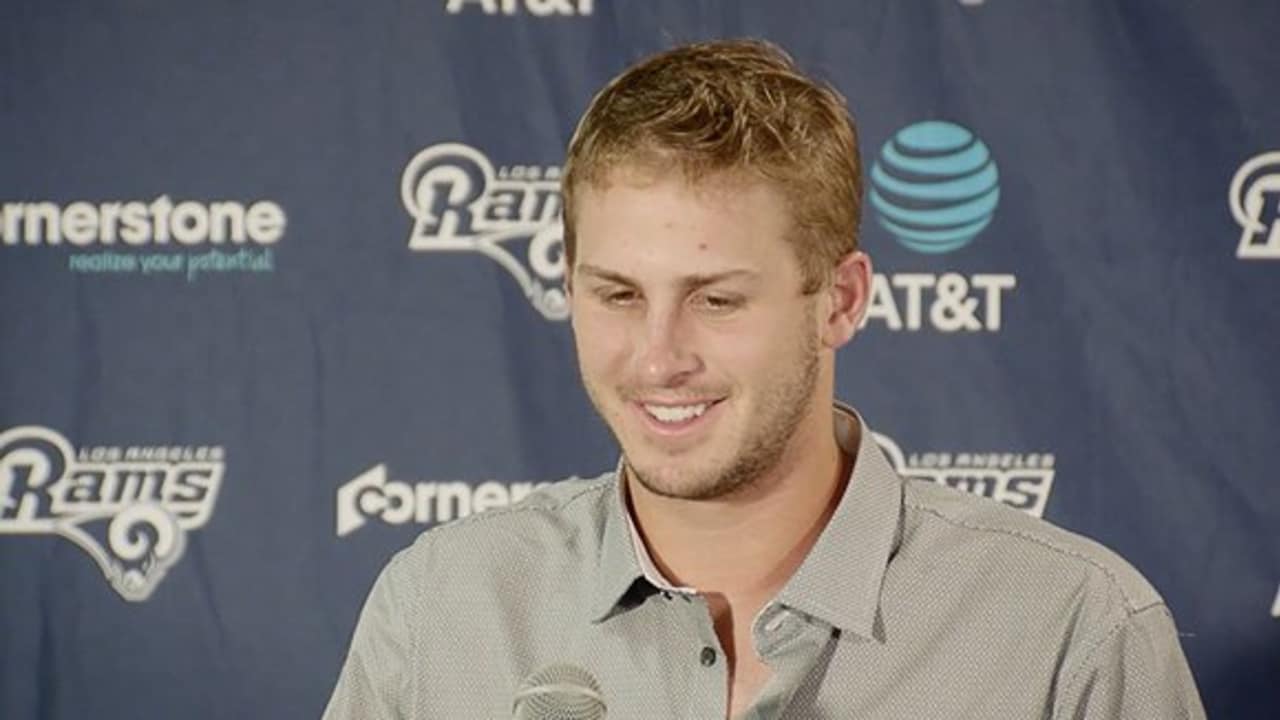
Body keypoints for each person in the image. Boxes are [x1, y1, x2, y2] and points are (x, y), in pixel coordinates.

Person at [324, 39, 1206, 719]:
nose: (659, 355)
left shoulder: (1070, 632)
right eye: (619, 294)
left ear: (841, 300)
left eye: (716, 300)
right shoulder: (441, 606)